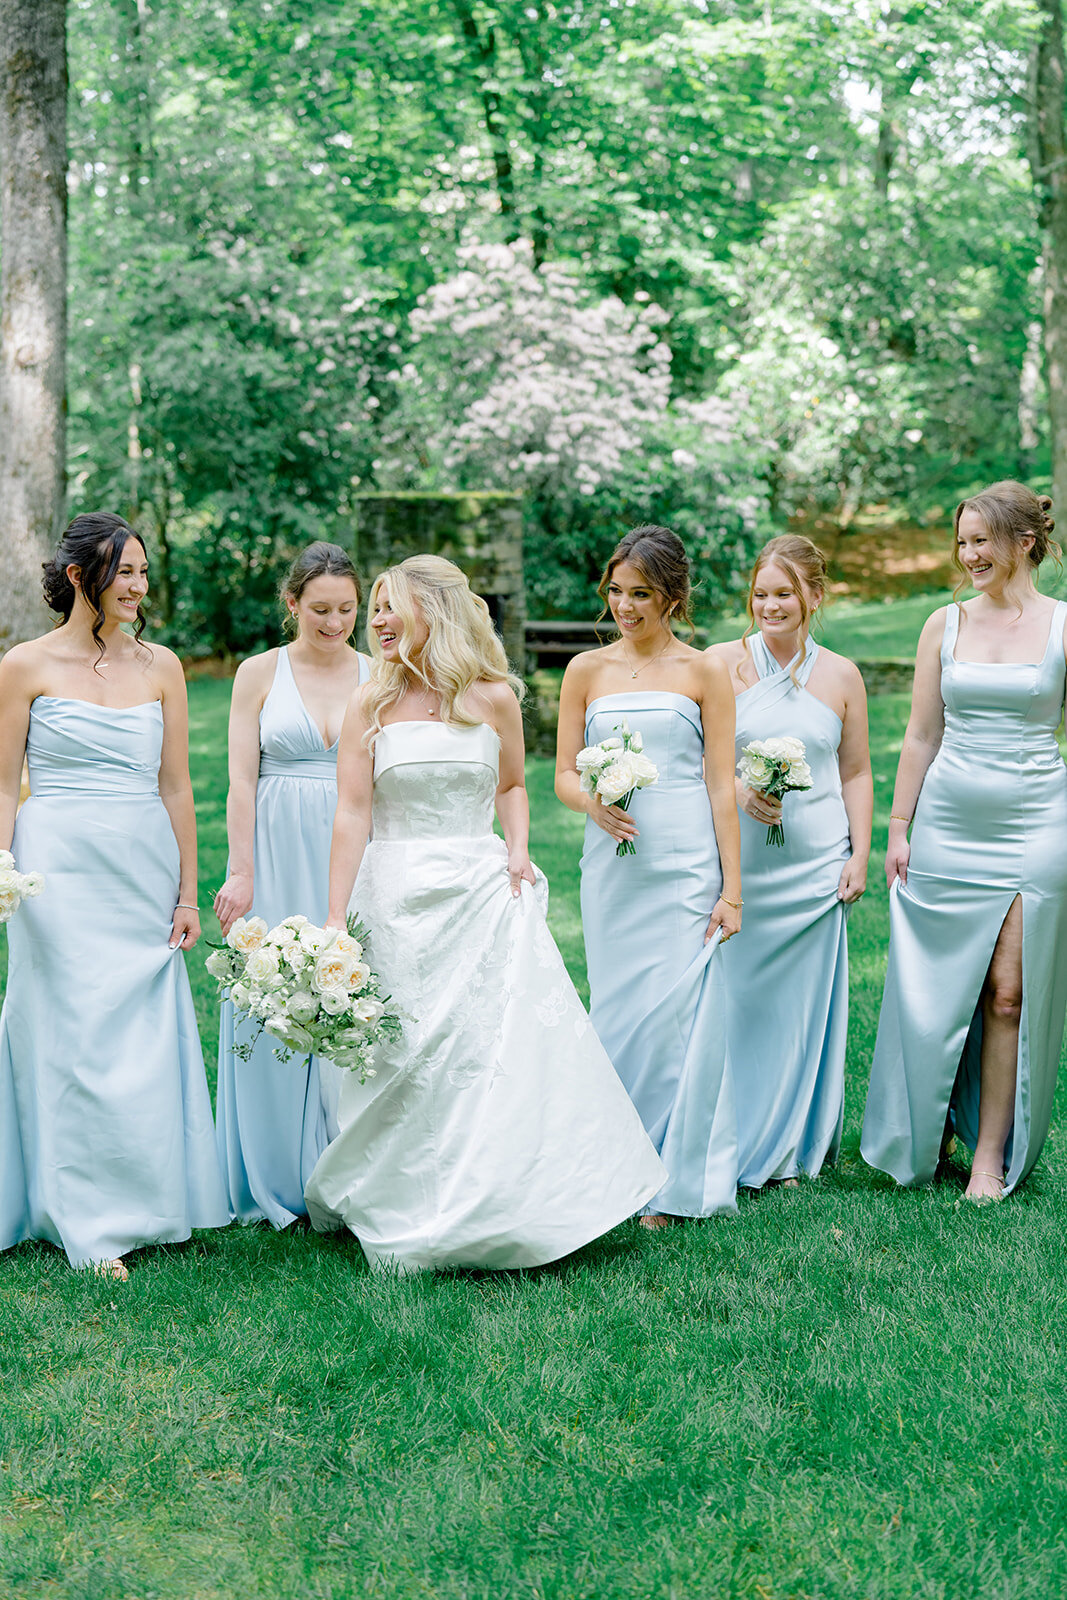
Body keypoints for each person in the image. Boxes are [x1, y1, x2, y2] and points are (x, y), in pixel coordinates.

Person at [303, 554, 665, 1271]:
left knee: (487, 1051)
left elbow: (509, 787)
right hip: (396, 892)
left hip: (477, 887)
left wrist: (519, 848)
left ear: (430, 613)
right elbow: (351, 812)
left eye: (386, 606)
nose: (373, 620)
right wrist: (336, 916)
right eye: (371, 608)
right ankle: (401, 1203)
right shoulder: (367, 702)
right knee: (404, 1053)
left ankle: (500, 1198)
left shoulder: (493, 697)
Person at [0, 512, 228, 1277]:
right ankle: (79, 1217)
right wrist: (0, 866)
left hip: (140, 862)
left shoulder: (161, 665)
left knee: (138, 1031)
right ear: (78, 579)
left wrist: (188, 892)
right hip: (55, 864)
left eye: (140, 572)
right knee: (68, 1030)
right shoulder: (23, 665)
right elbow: (4, 785)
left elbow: (176, 785)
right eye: (123, 573)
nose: (138, 587)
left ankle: (150, 1199)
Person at [862, 481, 1067, 1201]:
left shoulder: (1064, 625)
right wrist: (897, 826)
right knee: (943, 986)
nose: (969, 554)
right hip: (948, 823)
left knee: (1008, 994)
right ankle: (924, 1129)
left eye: (982, 540)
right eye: (962, 541)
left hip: (1038, 818)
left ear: (1024, 542)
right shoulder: (941, 624)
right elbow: (921, 733)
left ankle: (987, 1155)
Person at [555, 525, 742, 1223]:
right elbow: (562, 775)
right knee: (618, 1010)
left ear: (672, 597)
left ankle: (673, 1177)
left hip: (684, 861)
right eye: (616, 591)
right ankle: (615, 1168)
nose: (624, 606)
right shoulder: (586, 671)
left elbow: (720, 786)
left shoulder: (702, 672)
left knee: (677, 1016)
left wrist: (731, 889)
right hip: (612, 864)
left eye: (641, 594)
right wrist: (592, 801)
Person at [212, 543, 370, 1227]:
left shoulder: (381, 671)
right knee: (270, 995)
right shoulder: (257, 673)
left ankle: (345, 1167)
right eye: (320, 611)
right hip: (275, 843)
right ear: (292, 604)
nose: (334, 623)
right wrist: (240, 870)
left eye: (346, 610)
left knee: (348, 991)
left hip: (353, 848)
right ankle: (273, 1171)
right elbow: (240, 781)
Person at [708, 536, 871, 1189]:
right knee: (738, 1000)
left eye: (784, 593)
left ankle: (794, 1146)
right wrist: (739, 790)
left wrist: (859, 852)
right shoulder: (720, 665)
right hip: (742, 869)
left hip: (814, 870)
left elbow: (855, 770)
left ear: (813, 597)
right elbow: (701, 759)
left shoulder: (840, 675)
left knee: (801, 1009)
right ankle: (732, 1130)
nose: (770, 605)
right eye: (760, 593)